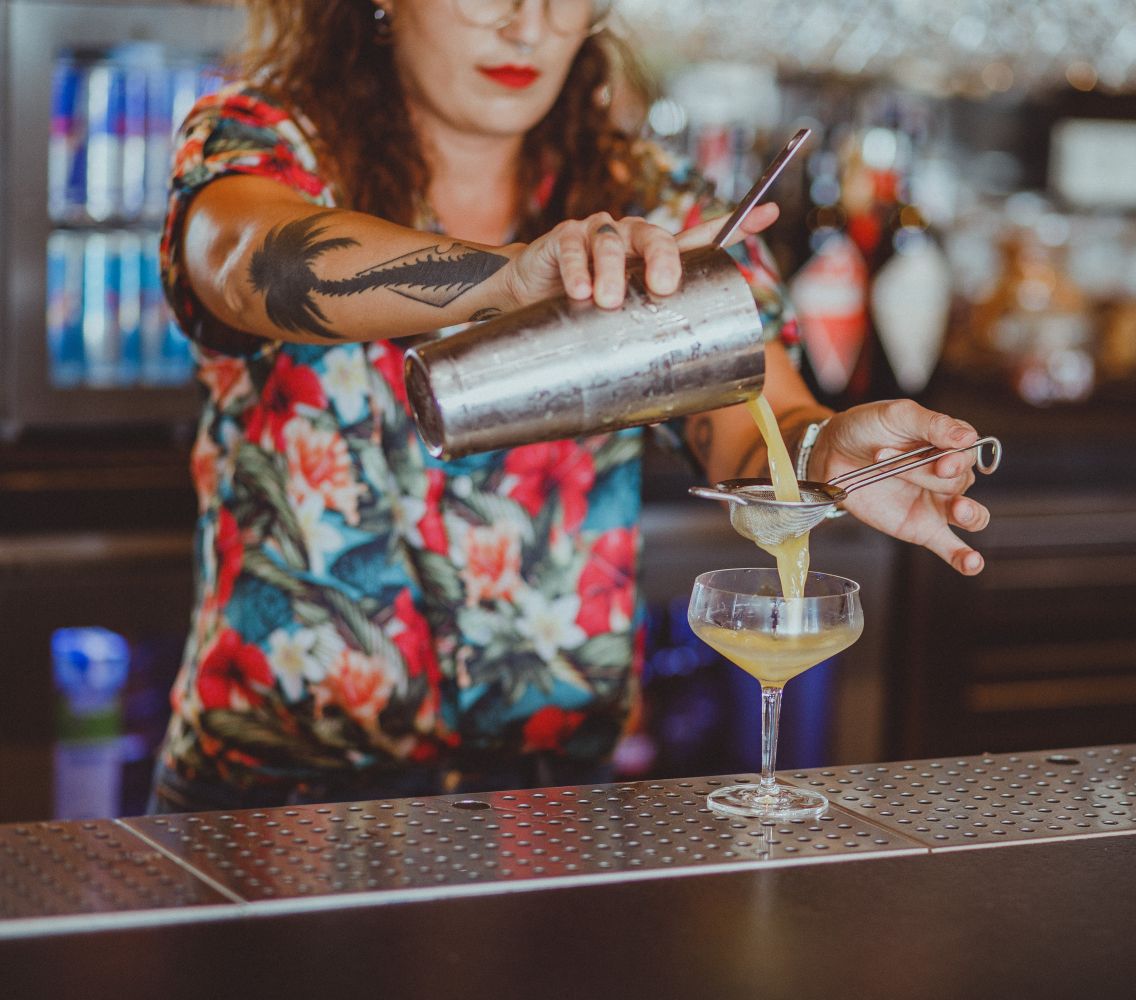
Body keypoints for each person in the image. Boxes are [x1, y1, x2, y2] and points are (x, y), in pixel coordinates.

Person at [149, 0, 993, 813]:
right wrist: (511, 279)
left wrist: (824, 457)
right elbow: (245, 266)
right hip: (271, 800)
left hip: (547, 810)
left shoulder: (649, 201)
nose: (529, 21)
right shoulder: (268, 142)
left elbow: (752, 418)